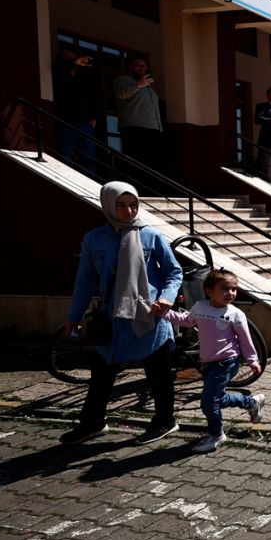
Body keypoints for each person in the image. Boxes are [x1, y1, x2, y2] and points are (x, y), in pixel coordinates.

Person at [61, 182, 182, 445]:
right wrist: (74, 315)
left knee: (158, 373)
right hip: (112, 318)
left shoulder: (151, 235)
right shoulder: (94, 239)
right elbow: (84, 280)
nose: (128, 211)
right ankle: (92, 423)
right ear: (107, 204)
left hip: (149, 316)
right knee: (102, 373)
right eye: (121, 205)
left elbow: (174, 272)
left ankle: (165, 421)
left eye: (133, 204)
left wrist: (166, 298)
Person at [157, 268, 264, 453]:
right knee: (217, 399)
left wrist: (252, 360)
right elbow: (186, 320)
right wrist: (164, 313)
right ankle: (251, 403)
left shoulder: (236, 314)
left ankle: (216, 434)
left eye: (234, 289)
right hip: (208, 363)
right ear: (209, 291)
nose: (230, 293)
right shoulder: (200, 307)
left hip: (227, 361)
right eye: (225, 289)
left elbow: (245, 340)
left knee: (208, 402)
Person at [53, 49, 101, 177]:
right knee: (65, 156)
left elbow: (94, 97)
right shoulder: (59, 73)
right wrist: (72, 62)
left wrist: (95, 117)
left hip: (85, 122)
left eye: (72, 57)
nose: (71, 60)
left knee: (88, 158)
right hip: (65, 120)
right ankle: (64, 182)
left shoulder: (84, 77)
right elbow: (59, 73)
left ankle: (90, 187)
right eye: (66, 58)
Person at [112, 57, 164, 171]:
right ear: (130, 67)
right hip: (134, 129)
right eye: (138, 64)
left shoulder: (149, 86)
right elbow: (120, 94)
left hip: (153, 130)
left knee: (151, 165)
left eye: (144, 65)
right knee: (135, 163)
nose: (141, 67)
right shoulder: (122, 80)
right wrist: (138, 85)